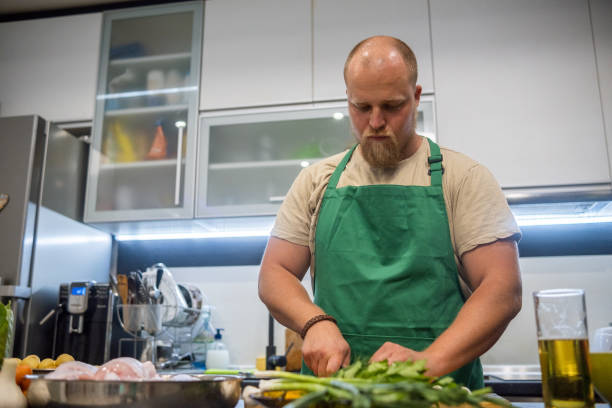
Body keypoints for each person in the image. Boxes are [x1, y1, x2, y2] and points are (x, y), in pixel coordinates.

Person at [258, 35, 522, 388]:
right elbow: (275, 272)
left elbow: (502, 289)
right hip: (335, 394)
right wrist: (314, 322)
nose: (376, 121)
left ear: (415, 97)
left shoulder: (464, 178)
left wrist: (428, 362)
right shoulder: (315, 180)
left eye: (392, 106)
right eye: (362, 107)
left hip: (439, 395)